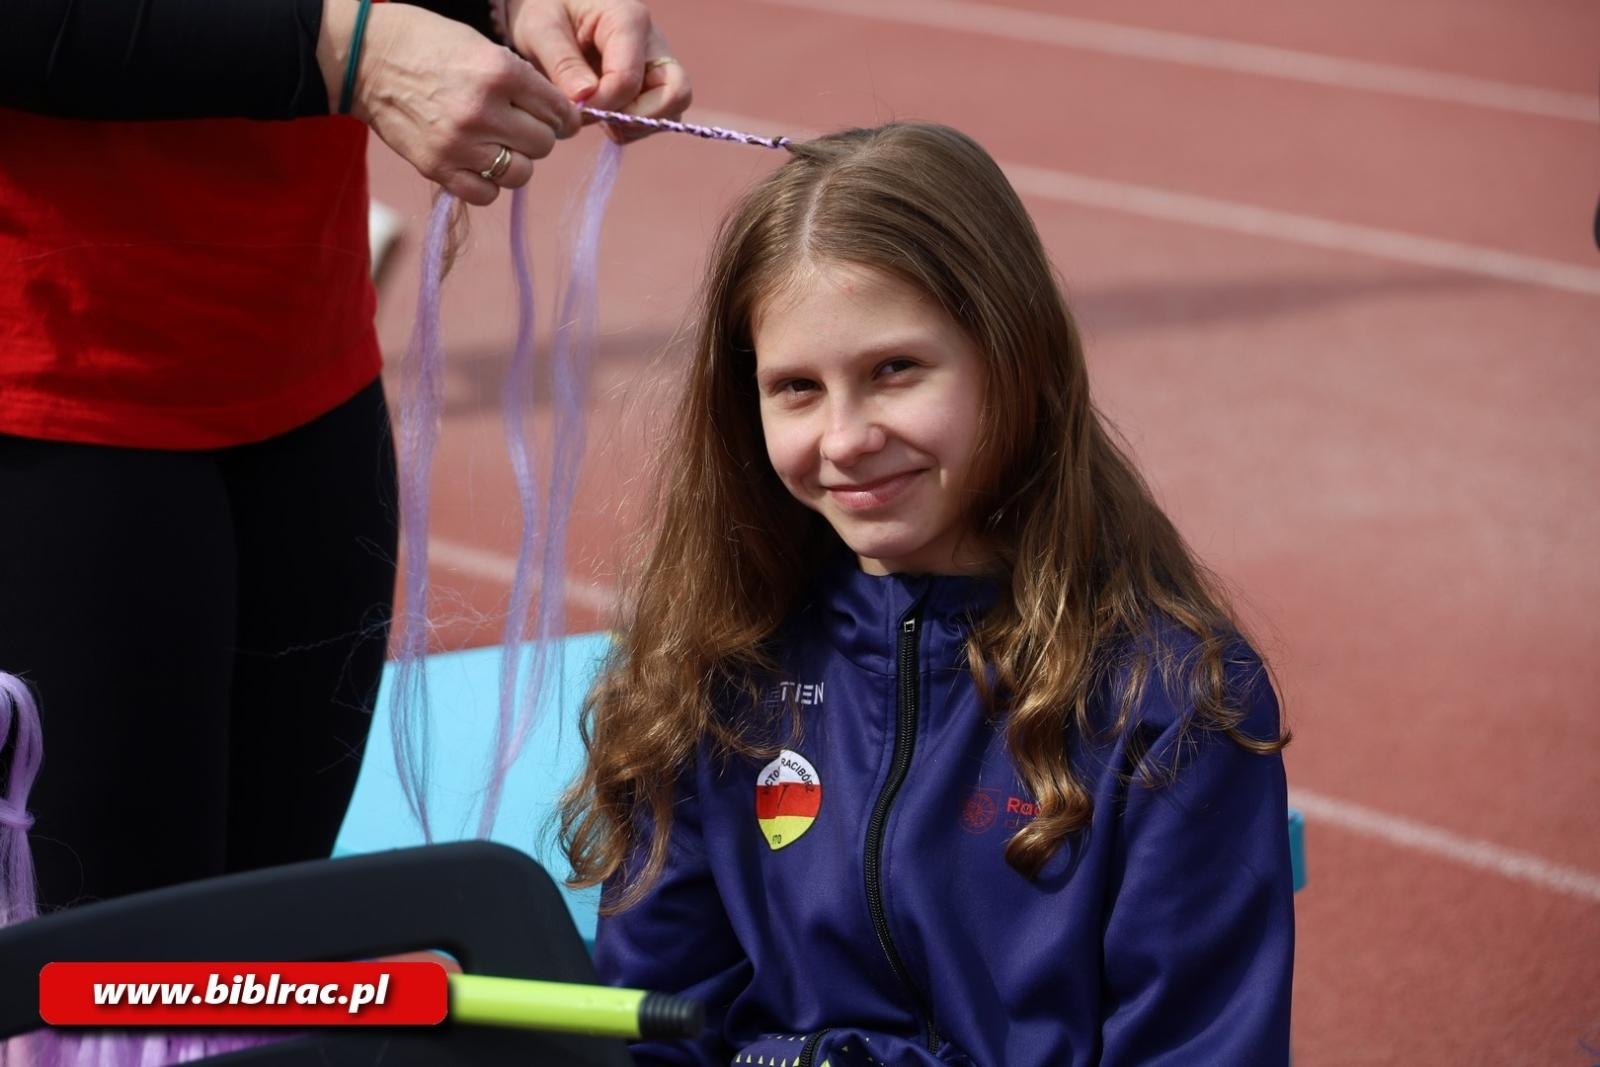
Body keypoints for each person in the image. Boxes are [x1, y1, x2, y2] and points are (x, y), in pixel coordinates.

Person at [560, 123, 1295, 1066]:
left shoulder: (1168, 697)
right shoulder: (716, 665)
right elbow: (657, 1020)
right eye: (795, 388)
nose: (845, 437)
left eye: (893, 371)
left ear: (1014, 356)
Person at [0, 0, 690, 912]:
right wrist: (349, 50)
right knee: (103, 984)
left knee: (263, 937)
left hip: (308, 364)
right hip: (46, 394)